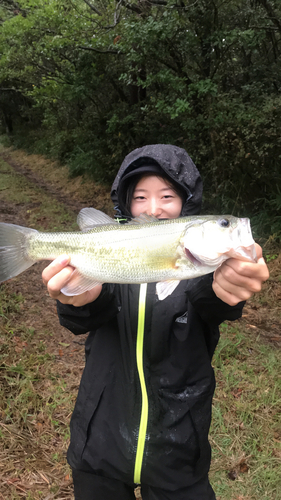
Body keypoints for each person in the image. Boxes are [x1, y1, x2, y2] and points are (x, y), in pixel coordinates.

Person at [42, 145, 269, 500]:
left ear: (186, 205)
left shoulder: (203, 271)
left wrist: (233, 285)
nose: (153, 208)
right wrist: (77, 299)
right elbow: (89, 310)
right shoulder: (120, 248)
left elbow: (212, 299)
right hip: (98, 445)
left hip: (179, 452)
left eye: (167, 196)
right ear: (126, 205)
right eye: (140, 197)